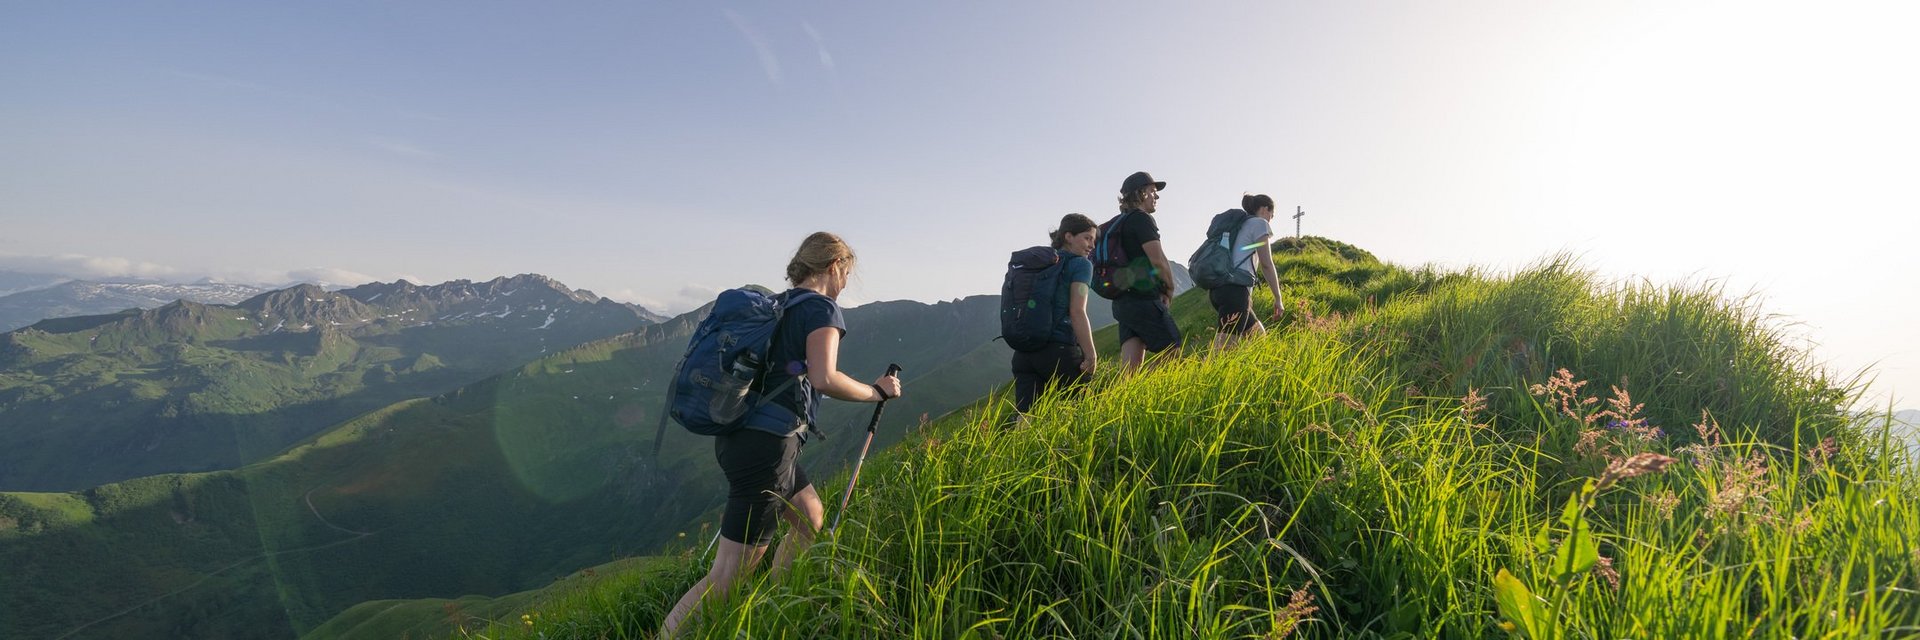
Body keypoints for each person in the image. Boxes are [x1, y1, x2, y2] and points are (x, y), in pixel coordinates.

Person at [658, 232, 904, 639]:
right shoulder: (822, 309)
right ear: (833, 266)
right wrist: (876, 391)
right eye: (846, 273)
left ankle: (779, 606)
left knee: (811, 518)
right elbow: (825, 378)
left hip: (745, 437)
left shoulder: (781, 305)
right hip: (768, 449)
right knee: (727, 576)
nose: (845, 283)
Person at [1011, 213, 1100, 416]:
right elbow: (1077, 311)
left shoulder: (1040, 263)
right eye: (1087, 238)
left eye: (1093, 240)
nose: (1092, 245)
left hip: (1024, 354)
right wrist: (1091, 354)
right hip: (1058, 351)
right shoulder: (1081, 265)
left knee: (1027, 419)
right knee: (1086, 414)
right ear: (1069, 236)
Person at [1110, 171, 1181, 374]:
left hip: (1123, 302)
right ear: (1141, 193)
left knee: (1129, 369)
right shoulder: (1142, 219)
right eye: (1152, 191)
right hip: (1143, 300)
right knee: (1173, 351)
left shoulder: (1120, 222)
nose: (1156, 196)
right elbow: (1157, 260)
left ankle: (1123, 398)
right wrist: (1169, 289)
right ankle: (1143, 383)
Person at [1210, 194, 1286, 350]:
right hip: (1236, 291)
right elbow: (1267, 264)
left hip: (1218, 289)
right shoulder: (1259, 224)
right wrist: (1278, 298)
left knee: (1259, 340)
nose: (1271, 219)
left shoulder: (1239, 225)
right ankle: (1205, 374)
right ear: (1265, 209)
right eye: (1272, 215)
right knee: (1223, 352)